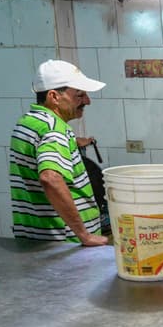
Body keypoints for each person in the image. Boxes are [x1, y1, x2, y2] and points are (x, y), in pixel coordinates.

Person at [8, 59, 109, 246]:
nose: (87, 101)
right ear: (54, 96)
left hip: (35, 237)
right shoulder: (55, 130)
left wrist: (73, 143)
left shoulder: (27, 123)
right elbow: (50, 178)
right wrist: (84, 235)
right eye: (79, 96)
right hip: (65, 243)